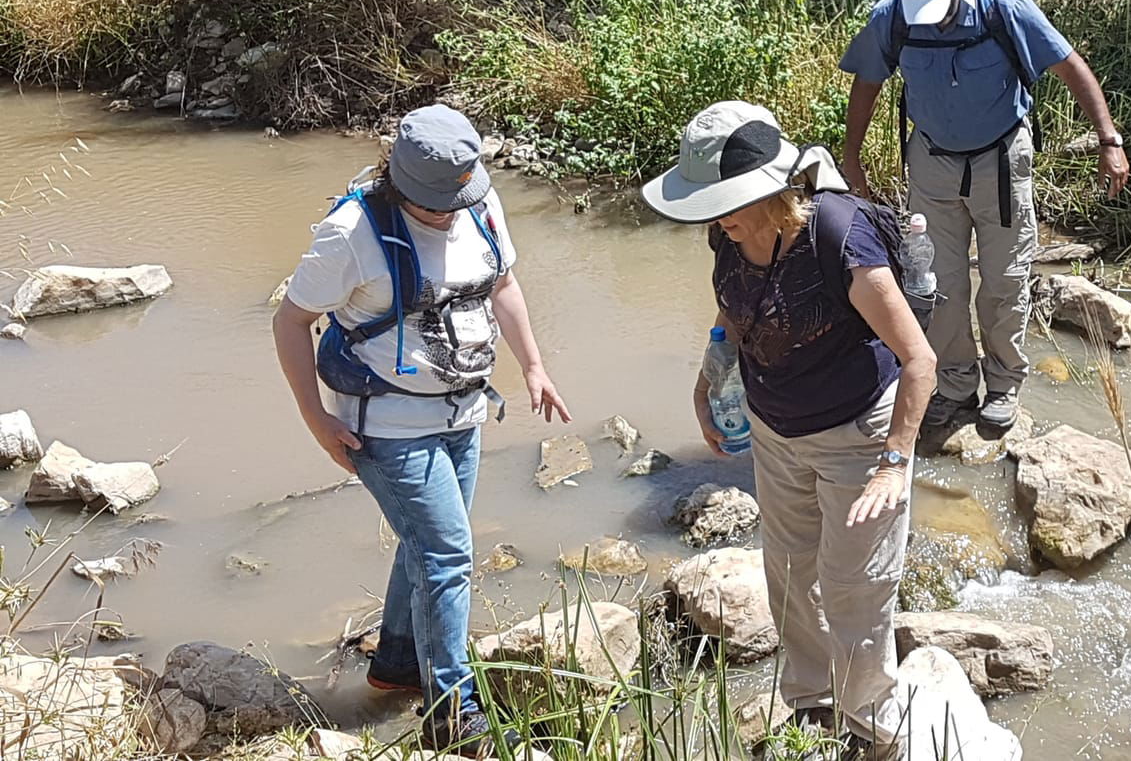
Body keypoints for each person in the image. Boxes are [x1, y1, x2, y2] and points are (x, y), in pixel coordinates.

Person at [272, 105, 571, 757]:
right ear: (400, 182)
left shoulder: (480, 206)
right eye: (436, 204)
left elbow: (505, 285)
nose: (450, 212)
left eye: (458, 197)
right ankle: (452, 713)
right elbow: (290, 322)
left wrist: (536, 366)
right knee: (448, 553)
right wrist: (316, 420)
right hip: (386, 426)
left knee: (429, 545)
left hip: (462, 413)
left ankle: (397, 663)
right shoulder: (351, 232)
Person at [642, 101, 936, 761]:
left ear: (771, 191)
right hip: (775, 432)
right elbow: (732, 305)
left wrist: (894, 461)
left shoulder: (840, 233)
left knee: (855, 586)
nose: (716, 217)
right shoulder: (729, 229)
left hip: (859, 435)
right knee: (791, 572)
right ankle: (811, 702)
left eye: (724, 202)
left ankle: (874, 731)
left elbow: (920, 360)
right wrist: (711, 374)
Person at [838, 0, 1129, 434]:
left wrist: (1109, 140)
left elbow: (1069, 65)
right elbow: (867, 80)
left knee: (1005, 279)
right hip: (930, 162)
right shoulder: (894, 16)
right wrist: (852, 158)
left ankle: (1004, 383)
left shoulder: (1003, 5)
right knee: (937, 284)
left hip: (1001, 160)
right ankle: (953, 385)